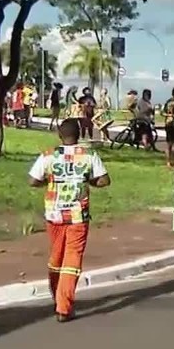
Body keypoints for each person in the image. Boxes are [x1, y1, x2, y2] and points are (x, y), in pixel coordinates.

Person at [27, 118, 111, 322]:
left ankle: (57, 296)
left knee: (56, 257)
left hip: (53, 214)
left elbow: (32, 180)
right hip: (77, 215)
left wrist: (51, 180)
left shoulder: (49, 156)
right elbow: (104, 180)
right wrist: (87, 180)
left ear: (59, 134)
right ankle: (63, 307)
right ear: (80, 134)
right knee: (72, 259)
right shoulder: (89, 155)